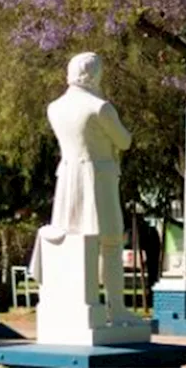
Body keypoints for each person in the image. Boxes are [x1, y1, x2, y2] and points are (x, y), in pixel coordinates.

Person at [45, 52, 135, 323]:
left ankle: (81, 305)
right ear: (94, 74)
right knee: (110, 242)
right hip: (97, 177)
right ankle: (116, 308)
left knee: (75, 240)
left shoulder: (54, 107)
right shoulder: (100, 107)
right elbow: (124, 141)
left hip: (68, 177)